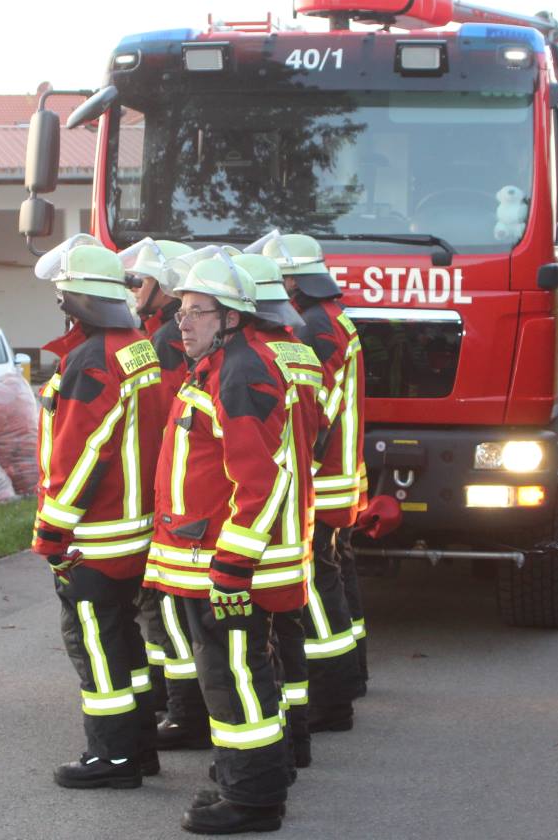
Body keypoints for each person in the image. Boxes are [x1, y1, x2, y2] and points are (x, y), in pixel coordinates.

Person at [146, 251, 305, 835]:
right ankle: (249, 780)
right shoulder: (220, 367)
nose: (180, 322)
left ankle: (253, 800)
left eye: (195, 312)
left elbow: (260, 482)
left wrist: (234, 566)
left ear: (231, 317)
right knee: (236, 675)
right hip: (203, 558)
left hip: (223, 565)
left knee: (234, 677)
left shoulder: (241, 373)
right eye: (180, 310)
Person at [31, 234, 169, 790]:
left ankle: (112, 758)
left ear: (73, 300)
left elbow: (83, 450)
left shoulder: (93, 358)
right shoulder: (138, 345)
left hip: (96, 535)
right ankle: (138, 747)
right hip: (136, 529)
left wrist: (52, 529)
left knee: (95, 643)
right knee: (125, 640)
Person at [256, 231, 368, 728]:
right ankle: (350, 676)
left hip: (319, 480)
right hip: (338, 476)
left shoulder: (317, 328)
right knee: (336, 575)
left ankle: (330, 697)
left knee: (318, 585)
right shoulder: (333, 318)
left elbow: (312, 412)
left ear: (292, 281)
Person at [231, 250, 322, 772]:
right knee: (287, 637)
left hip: (263, 528)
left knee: (259, 648)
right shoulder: (299, 353)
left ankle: (278, 756)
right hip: (294, 521)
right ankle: (296, 742)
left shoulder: (255, 362)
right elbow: (321, 427)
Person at [119, 238, 208, 746]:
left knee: (165, 610)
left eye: (140, 280)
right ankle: (170, 700)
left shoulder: (166, 341)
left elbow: (158, 424)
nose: (134, 289)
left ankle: (182, 711)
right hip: (173, 494)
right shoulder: (165, 333)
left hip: (171, 499)